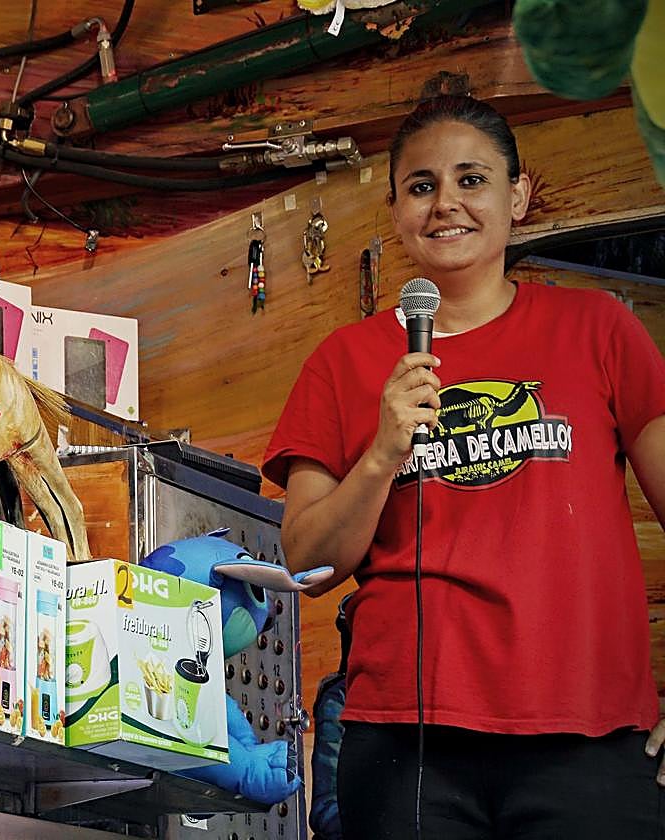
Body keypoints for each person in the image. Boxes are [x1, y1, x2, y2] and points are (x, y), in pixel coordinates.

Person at [261, 94, 665, 840]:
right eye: (422, 186)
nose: (446, 203)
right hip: (408, 747)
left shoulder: (598, 329)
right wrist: (383, 452)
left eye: (471, 180)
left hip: (591, 737)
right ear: (395, 209)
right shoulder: (343, 361)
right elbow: (308, 562)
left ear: (517, 195)